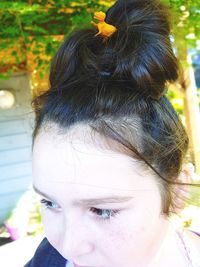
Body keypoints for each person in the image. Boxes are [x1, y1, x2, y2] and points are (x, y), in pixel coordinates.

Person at [25, 0, 200, 266]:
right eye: (50, 203)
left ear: (175, 192)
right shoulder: (47, 259)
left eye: (102, 210)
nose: (69, 248)